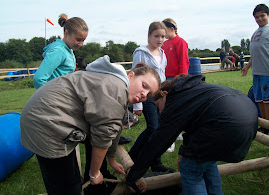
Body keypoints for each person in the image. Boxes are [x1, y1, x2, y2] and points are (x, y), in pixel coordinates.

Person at [20, 55, 161, 195]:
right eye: (144, 86)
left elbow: (114, 129)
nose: (144, 94)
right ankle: (90, 181)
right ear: (130, 76)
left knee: (68, 178)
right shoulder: (116, 90)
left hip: (41, 115)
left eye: (148, 95)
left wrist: (111, 159)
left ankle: (95, 181)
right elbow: (102, 138)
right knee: (67, 188)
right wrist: (94, 174)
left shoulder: (115, 83)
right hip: (46, 124)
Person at [126, 74, 258, 194]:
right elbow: (196, 125)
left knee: (190, 168)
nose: (160, 112)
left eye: (158, 106)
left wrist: (133, 175)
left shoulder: (176, 99)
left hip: (227, 124)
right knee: (206, 160)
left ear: (165, 94)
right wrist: (184, 151)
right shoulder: (192, 91)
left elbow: (159, 141)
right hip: (249, 118)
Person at [129, 21, 174, 173]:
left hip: (158, 94)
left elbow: (162, 74)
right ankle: (133, 157)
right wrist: (137, 104)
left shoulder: (162, 53)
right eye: (156, 36)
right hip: (146, 95)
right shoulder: (141, 52)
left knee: (157, 130)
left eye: (163, 36)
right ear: (149, 36)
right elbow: (135, 75)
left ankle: (156, 164)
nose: (160, 39)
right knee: (153, 128)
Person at [34, 13, 88, 89]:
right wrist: (50, 98)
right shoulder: (59, 51)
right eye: (78, 40)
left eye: (83, 40)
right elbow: (39, 78)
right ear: (66, 33)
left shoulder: (69, 50)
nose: (81, 44)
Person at [242, 4, 269, 126]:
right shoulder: (255, 33)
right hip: (256, 73)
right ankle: (265, 124)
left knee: (267, 101)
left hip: (267, 73)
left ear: (268, 15)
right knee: (260, 100)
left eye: (262, 16)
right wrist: (247, 66)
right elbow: (254, 54)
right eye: (256, 17)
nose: (259, 19)